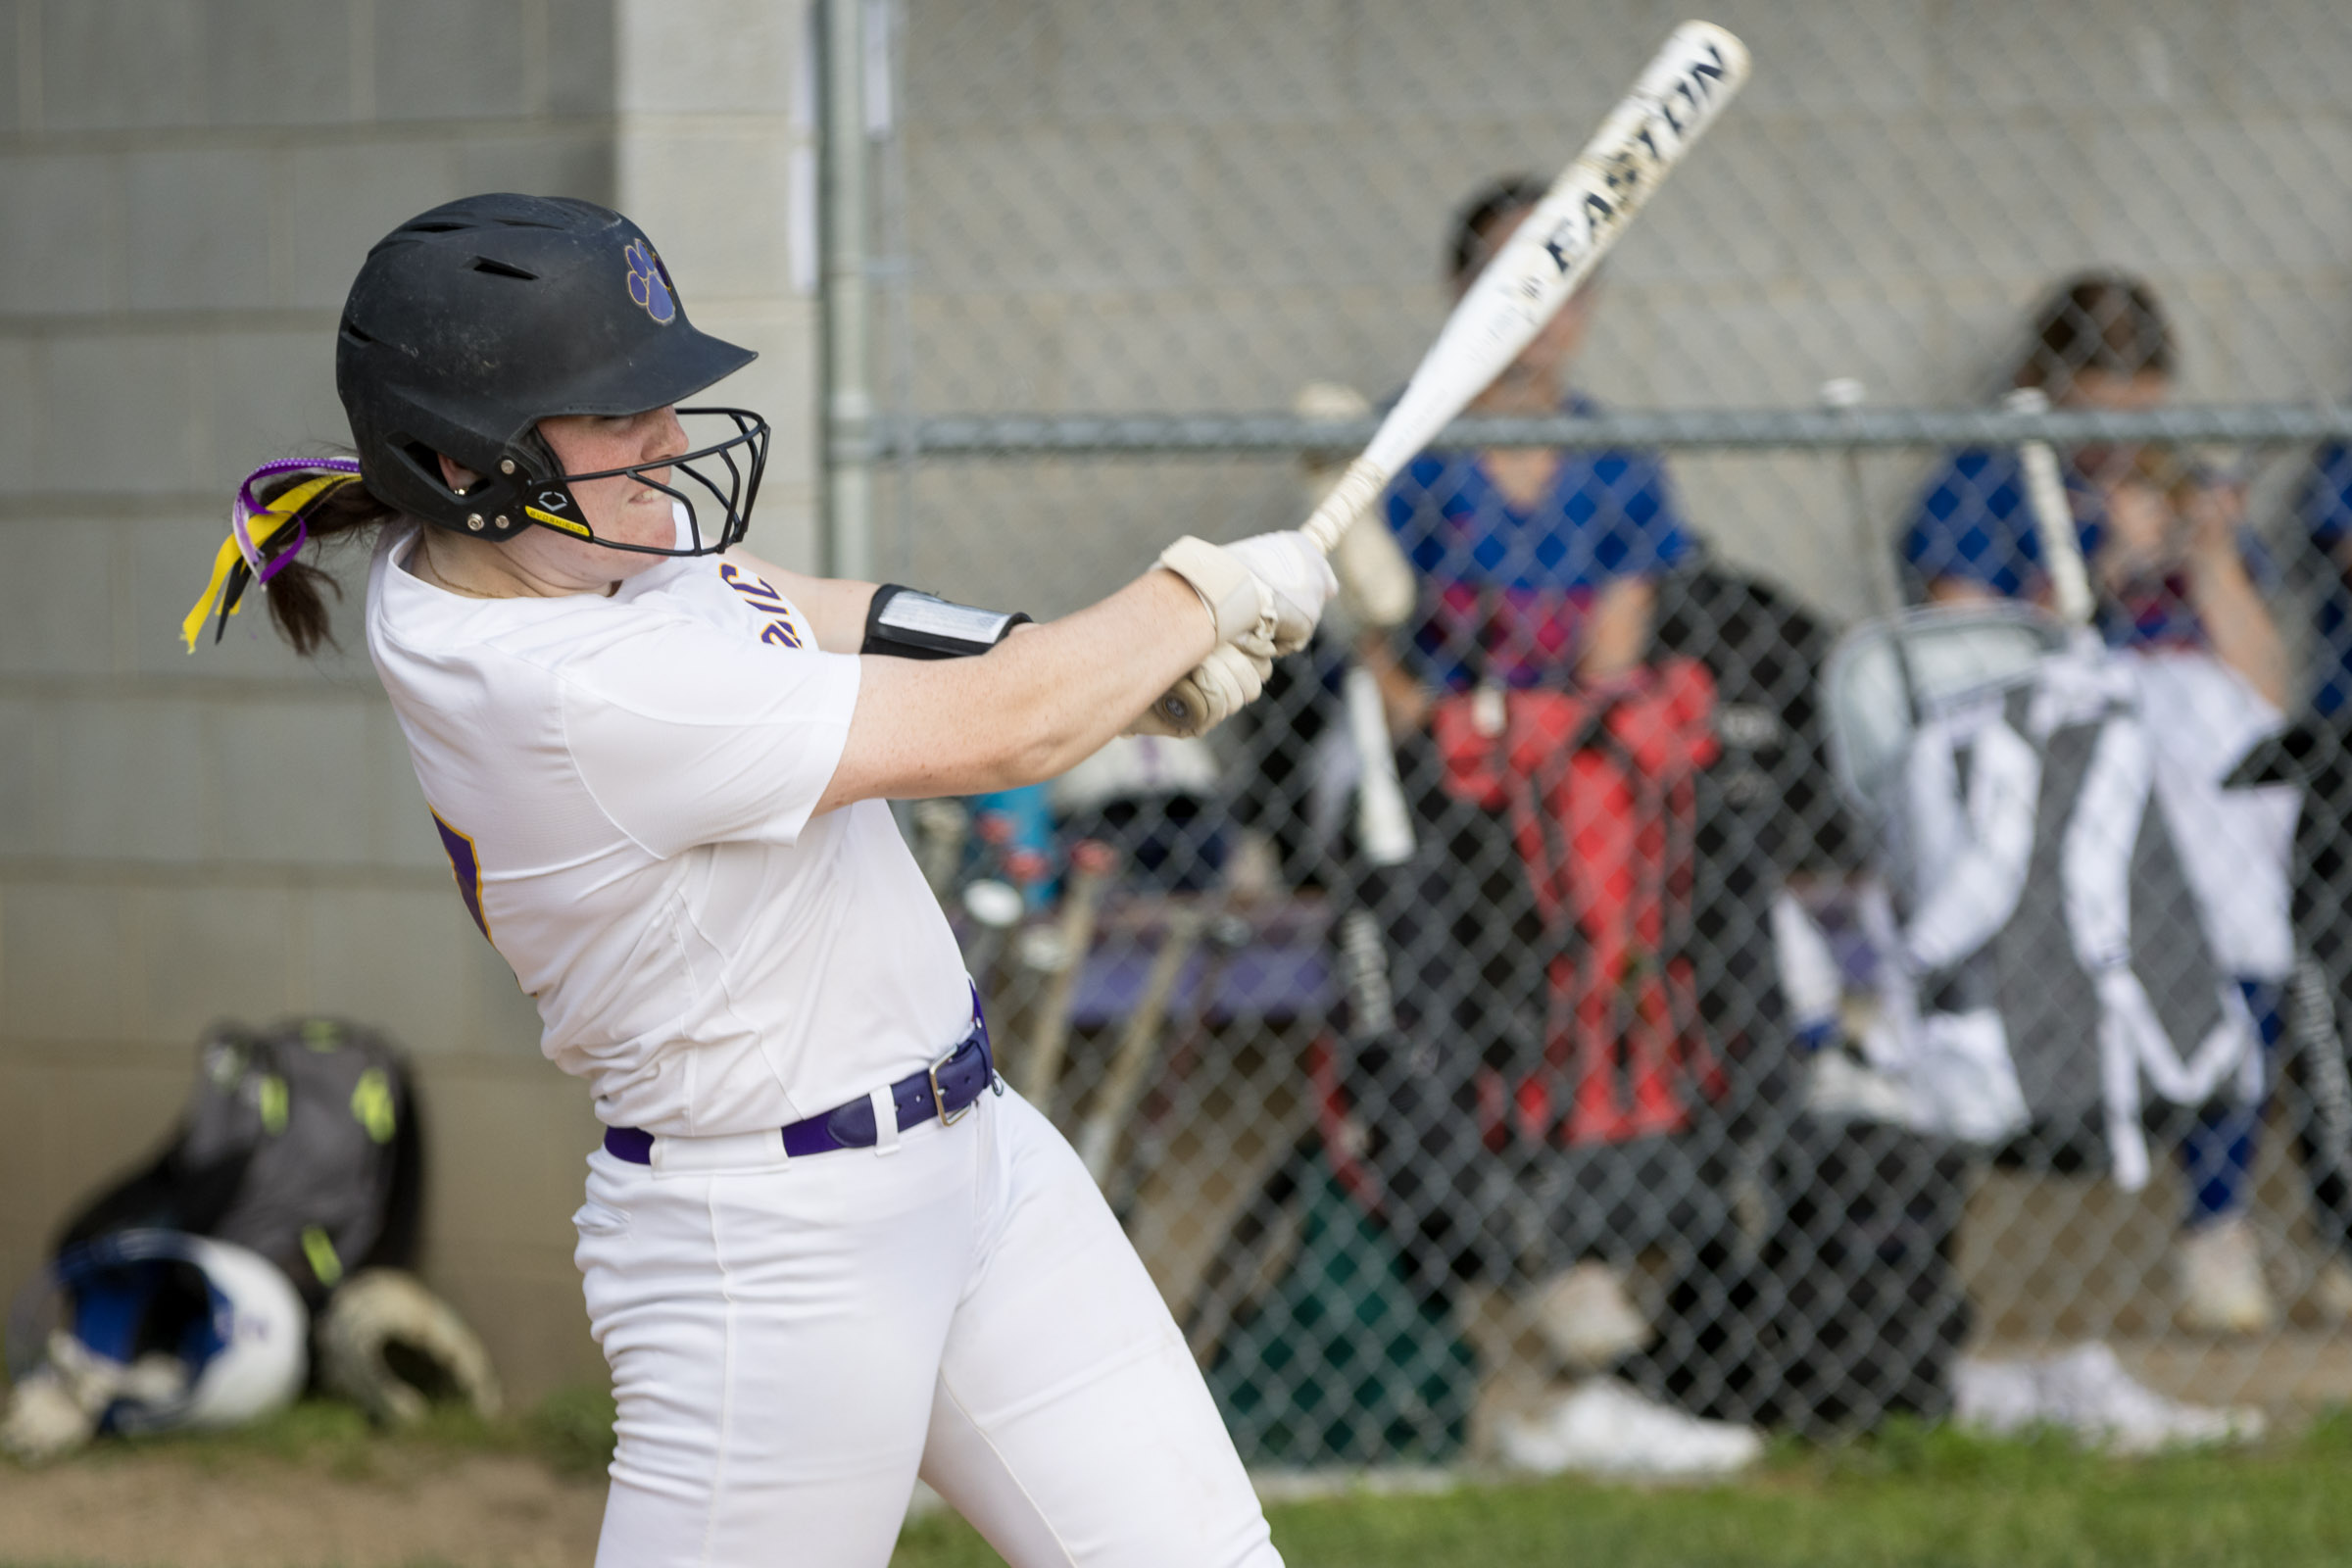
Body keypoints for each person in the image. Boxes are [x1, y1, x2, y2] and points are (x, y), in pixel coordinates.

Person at [179, 194, 1335, 1568]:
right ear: (460, 456)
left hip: (981, 1164)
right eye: (614, 413)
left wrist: (1090, 666)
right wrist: (1201, 594)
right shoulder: (571, 689)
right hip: (775, 1250)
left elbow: (803, 608)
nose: (664, 438)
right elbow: (1001, 734)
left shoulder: (549, 555)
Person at [1899, 270, 2296, 1334]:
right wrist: (2107, 568)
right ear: (2046, 387)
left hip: (2202, 782)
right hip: (2057, 778)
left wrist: (2206, 556)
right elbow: (1967, 670)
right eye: (2096, 407)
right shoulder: (1985, 483)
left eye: (2140, 408)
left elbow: (2264, 691)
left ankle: (2219, 1225)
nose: (2119, 438)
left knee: (2247, 905)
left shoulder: (2179, 483)